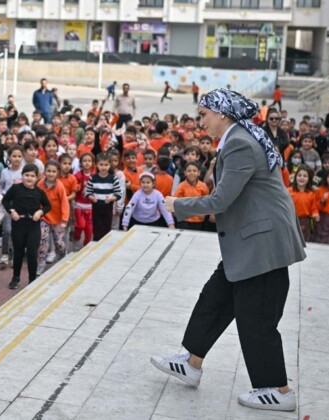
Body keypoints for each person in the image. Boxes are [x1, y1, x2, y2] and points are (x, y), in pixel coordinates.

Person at [155, 88, 305, 412]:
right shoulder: (238, 138)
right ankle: (191, 362)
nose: (201, 122)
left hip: (262, 244)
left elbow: (222, 199)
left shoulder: (238, 143)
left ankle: (278, 390)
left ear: (222, 114)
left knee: (257, 318)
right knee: (215, 298)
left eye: (203, 115)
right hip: (250, 242)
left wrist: (177, 204)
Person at [2, 163, 51, 289]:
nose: (29, 178)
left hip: (33, 226)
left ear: (37, 178)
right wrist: (11, 211)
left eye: (32, 176)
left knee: (31, 253)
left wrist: (40, 212)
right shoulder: (15, 188)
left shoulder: (39, 192)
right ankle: (16, 277)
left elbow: (47, 206)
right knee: (18, 252)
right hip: (18, 224)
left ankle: (32, 279)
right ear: (22, 175)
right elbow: (5, 200)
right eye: (26, 175)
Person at [85, 153, 121, 241]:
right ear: (96, 165)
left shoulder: (113, 178)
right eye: (101, 164)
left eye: (106, 165)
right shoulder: (93, 178)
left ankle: (105, 246)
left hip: (107, 207)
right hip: (96, 206)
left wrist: (111, 198)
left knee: (106, 228)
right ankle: (96, 244)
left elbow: (118, 194)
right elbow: (88, 192)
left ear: (110, 165)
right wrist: (91, 197)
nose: (103, 167)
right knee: (97, 229)